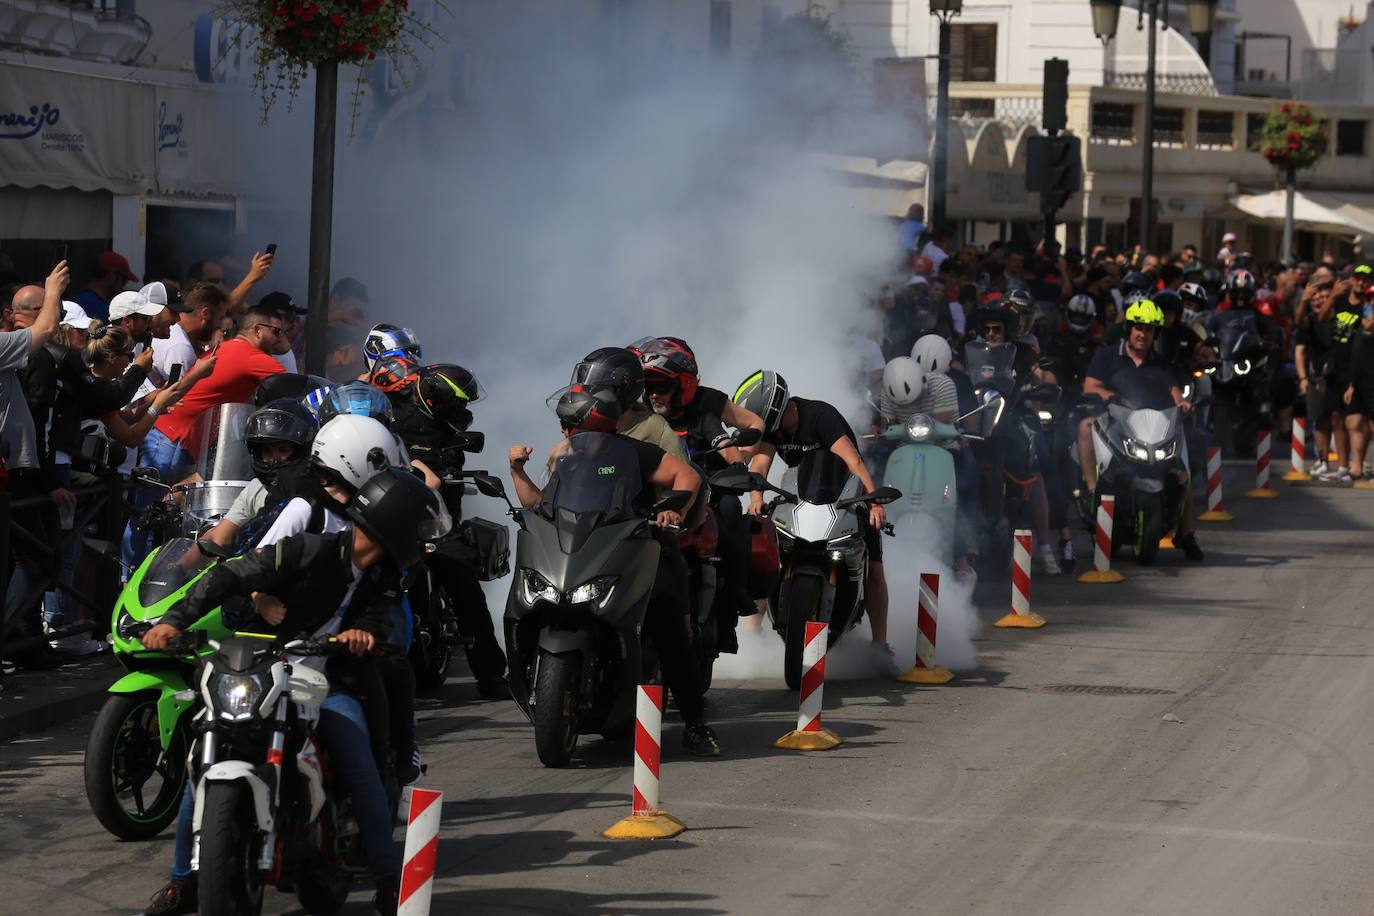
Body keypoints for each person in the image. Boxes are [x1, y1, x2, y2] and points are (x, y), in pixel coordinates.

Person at [139, 466, 445, 916]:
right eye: (417, 532)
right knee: (204, 760)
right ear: (397, 526)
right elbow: (231, 576)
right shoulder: (306, 549)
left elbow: (385, 626)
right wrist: (174, 621)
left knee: (359, 762)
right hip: (258, 671)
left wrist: (364, 635)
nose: (420, 543)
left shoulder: (384, 579)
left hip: (326, 684)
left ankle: (386, 880)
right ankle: (182, 881)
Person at [508, 386, 722, 756]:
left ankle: (695, 726)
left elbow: (687, 477)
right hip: (585, 549)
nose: (563, 432)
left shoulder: (634, 452)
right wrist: (517, 471)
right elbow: (540, 504)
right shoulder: (564, 457)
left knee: (672, 634)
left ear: (590, 424)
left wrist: (673, 510)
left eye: (568, 425)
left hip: (644, 546)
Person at [733, 370, 900, 674]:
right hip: (800, 503)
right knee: (764, 555)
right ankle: (752, 633)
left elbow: (853, 460)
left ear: (777, 410)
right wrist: (756, 499)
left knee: (874, 568)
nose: (762, 428)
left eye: (763, 421)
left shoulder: (821, 417)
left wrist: (874, 502)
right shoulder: (773, 430)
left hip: (845, 497)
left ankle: (880, 644)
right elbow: (760, 465)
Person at [124, 304, 286, 568]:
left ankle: (139, 572)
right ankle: (131, 575)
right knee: (149, 515)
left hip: (173, 433)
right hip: (174, 436)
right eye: (277, 332)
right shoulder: (248, 354)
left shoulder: (231, 347)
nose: (280, 339)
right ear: (257, 330)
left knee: (156, 512)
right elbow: (296, 383)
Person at [633, 336, 766, 653]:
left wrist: (740, 463)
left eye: (661, 386)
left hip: (710, 489)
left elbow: (729, 440)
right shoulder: (641, 414)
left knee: (731, 513)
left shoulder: (706, 408)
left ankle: (734, 600)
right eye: (649, 386)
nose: (654, 394)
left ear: (683, 384)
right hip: (657, 491)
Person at [1080, 299, 1204, 560]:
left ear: (1155, 334)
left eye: (1148, 329)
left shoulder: (1161, 363)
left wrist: (1183, 404)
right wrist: (1107, 396)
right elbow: (1090, 386)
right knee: (1085, 426)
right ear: (1129, 329)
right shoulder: (1107, 356)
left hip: (1152, 426)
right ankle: (1091, 491)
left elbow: (1174, 391)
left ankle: (1185, 533)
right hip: (1114, 422)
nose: (1142, 334)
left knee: (1183, 471)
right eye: (1138, 328)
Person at [1, 263, 68, 669]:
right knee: (39, 558)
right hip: (14, 471)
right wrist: (53, 290)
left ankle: (20, 640)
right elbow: (42, 333)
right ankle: (11, 638)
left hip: (16, 468)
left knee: (30, 558)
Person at [1295, 278, 1362, 481]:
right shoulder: (1310, 320)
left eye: (1325, 297)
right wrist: (1303, 378)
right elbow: (1299, 342)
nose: (1321, 301)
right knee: (1320, 419)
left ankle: (1343, 465)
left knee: (1339, 419)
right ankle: (1322, 460)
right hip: (1317, 376)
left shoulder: (1339, 317)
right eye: (1317, 298)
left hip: (1340, 375)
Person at [72, 251, 138, 323]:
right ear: (111, 276)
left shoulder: (84, 299)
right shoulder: (93, 304)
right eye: (124, 280)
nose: (123, 286)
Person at [256, 291, 308, 372]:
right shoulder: (253, 356)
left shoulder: (285, 350)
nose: (294, 323)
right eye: (290, 317)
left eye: (295, 317)